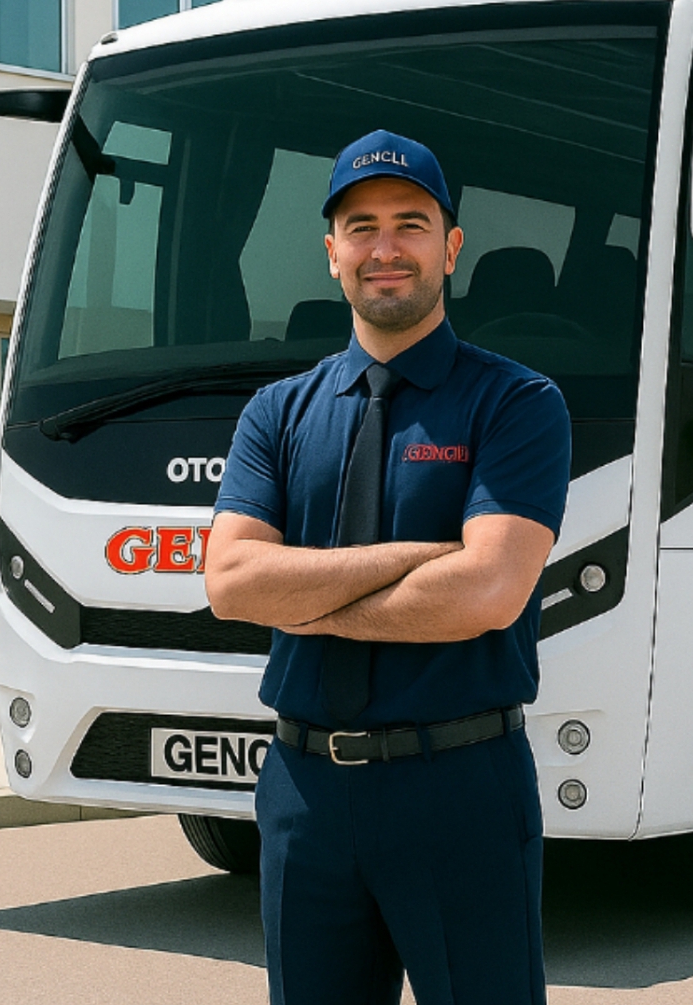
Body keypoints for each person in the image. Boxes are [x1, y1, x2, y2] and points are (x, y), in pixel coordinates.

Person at [206, 129, 571, 1005]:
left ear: (451, 247)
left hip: (460, 787)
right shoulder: (276, 413)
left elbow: (487, 590)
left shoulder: (517, 403)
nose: (385, 247)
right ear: (332, 252)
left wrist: (299, 597)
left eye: (411, 223)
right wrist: (418, 559)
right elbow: (231, 584)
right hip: (304, 794)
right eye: (361, 226)